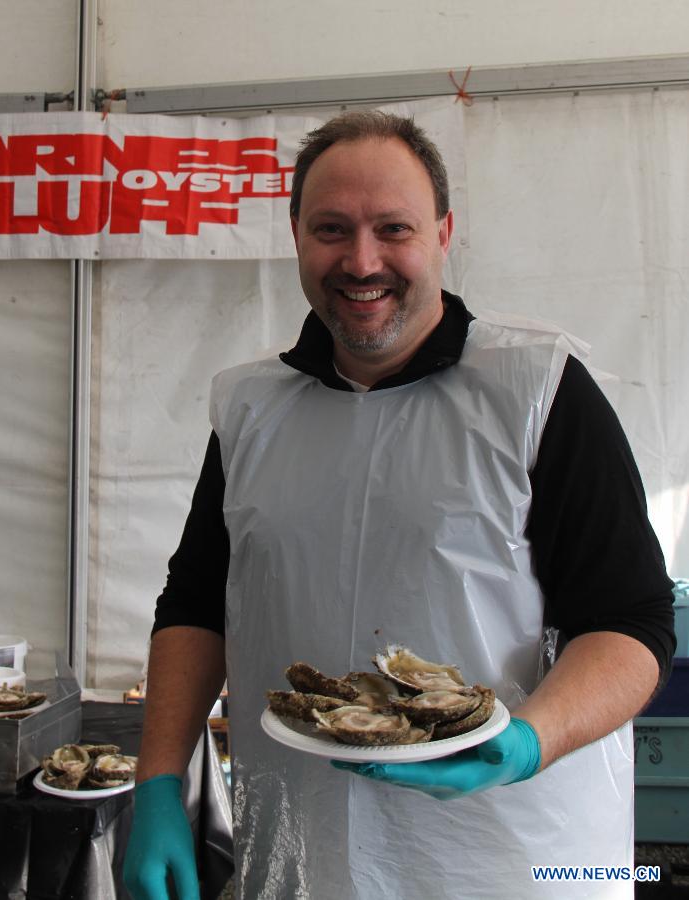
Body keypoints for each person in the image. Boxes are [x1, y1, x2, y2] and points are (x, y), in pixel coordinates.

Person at [124, 112, 675, 899]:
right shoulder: (250, 409)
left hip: (516, 858)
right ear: (296, 236)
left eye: (394, 228)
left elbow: (633, 621)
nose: (362, 260)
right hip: (301, 857)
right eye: (331, 229)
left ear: (444, 232)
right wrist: (157, 785)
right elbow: (196, 603)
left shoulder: (538, 391)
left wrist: (526, 741)